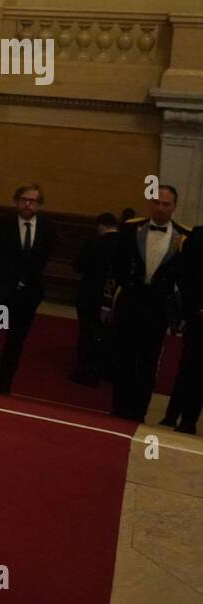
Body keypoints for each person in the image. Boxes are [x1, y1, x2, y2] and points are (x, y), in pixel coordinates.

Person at [110, 185, 189, 422]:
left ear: (174, 207)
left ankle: (138, 412)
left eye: (166, 204)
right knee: (124, 355)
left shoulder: (185, 236)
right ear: (150, 204)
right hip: (130, 300)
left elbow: (186, 276)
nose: (161, 208)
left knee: (149, 361)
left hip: (158, 307)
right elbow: (117, 262)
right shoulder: (131, 227)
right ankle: (118, 408)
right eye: (157, 202)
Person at [0, 184, 55, 396]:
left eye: (33, 201)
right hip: (2, 293)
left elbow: (43, 258)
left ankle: (4, 383)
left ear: (39, 204)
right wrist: (1, 282)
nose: (28, 204)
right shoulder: (3, 224)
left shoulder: (47, 228)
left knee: (15, 341)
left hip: (27, 296)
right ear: (17, 201)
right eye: (24, 199)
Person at [69, 211, 119, 386]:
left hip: (91, 294)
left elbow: (78, 265)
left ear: (101, 225)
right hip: (114, 297)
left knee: (88, 332)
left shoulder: (95, 242)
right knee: (109, 333)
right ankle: (106, 368)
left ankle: (86, 371)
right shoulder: (125, 244)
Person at [162, 221, 202, 434]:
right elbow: (185, 273)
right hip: (198, 314)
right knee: (189, 367)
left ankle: (188, 419)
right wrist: (196, 306)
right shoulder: (198, 236)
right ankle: (173, 415)